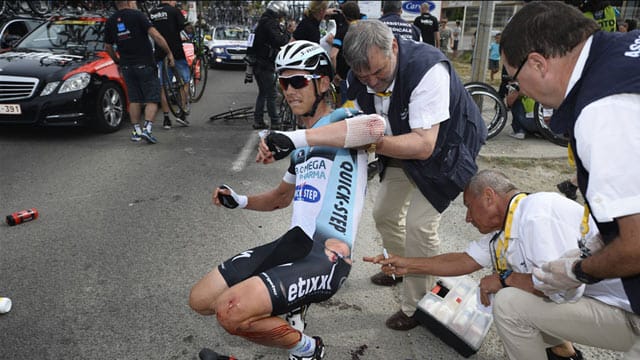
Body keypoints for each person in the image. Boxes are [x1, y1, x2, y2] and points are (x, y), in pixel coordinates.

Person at [258, 20, 487, 331]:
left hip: (442, 151)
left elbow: (422, 145)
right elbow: (340, 125)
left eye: (379, 73)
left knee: (420, 226)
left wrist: (367, 141)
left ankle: (416, 306)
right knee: (385, 214)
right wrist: (286, 142)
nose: (374, 83)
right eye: (365, 77)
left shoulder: (427, 69)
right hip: (398, 148)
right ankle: (400, 267)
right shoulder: (357, 78)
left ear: (393, 47)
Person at [189, 40, 383, 360]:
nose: (289, 90)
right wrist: (240, 200)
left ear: (323, 82)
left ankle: (307, 349)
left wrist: (293, 138)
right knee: (201, 299)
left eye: (298, 81)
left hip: (325, 257)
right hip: (293, 244)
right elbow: (280, 198)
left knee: (230, 311)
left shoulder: (341, 122)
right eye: (284, 82)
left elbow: (375, 128)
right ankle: (288, 316)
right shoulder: (303, 147)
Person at [365, 169, 631, 360]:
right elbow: (463, 260)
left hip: (630, 317)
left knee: (508, 302)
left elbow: (560, 290)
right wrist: (407, 264)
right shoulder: (509, 225)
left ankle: (561, 351)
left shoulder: (536, 215)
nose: (467, 218)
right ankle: (564, 353)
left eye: (469, 207)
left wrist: (505, 279)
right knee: (515, 287)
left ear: (489, 197)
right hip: (608, 307)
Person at [500, 2, 640, 358]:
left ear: (537, 64)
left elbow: (636, 247)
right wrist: (600, 238)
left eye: (514, 79)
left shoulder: (602, 110)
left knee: (510, 308)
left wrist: (577, 270)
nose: (520, 91)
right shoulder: (626, 55)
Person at [104, 0, 175, 144]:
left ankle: (136, 130)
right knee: (152, 99)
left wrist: (117, 60)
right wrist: (169, 53)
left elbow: (107, 46)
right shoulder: (138, 16)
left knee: (134, 99)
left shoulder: (111, 21)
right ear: (129, 2)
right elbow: (156, 36)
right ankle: (147, 129)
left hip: (126, 66)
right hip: (145, 64)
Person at [246, 0, 290, 130]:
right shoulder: (270, 23)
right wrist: (287, 32)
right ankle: (275, 122)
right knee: (271, 94)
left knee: (263, 93)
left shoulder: (260, 22)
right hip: (265, 64)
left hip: (257, 63)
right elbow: (279, 41)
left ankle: (258, 120)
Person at [149, 0, 190, 130]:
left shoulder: (153, 13)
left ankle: (166, 119)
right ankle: (182, 113)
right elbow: (185, 28)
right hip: (176, 51)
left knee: (163, 87)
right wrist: (192, 26)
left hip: (160, 53)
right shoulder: (174, 11)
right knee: (185, 81)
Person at [329, 1, 361, 106]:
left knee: (346, 111)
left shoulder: (343, 31)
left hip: (345, 76)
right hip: (364, 75)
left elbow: (333, 55)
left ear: (344, 15)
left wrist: (335, 73)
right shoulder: (365, 29)